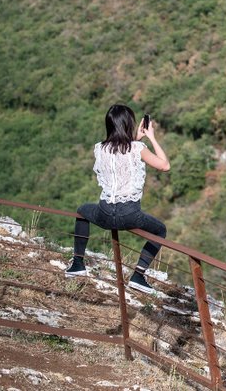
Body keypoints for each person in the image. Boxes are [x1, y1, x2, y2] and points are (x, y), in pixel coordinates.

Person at [66, 104, 171, 295]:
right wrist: (151, 137)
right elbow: (164, 165)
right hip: (130, 215)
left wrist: (136, 139)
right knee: (160, 229)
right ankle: (139, 275)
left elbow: (121, 152)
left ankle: (78, 263)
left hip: (105, 214)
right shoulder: (138, 148)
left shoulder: (100, 149)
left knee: (82, 211)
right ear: (128, 124)